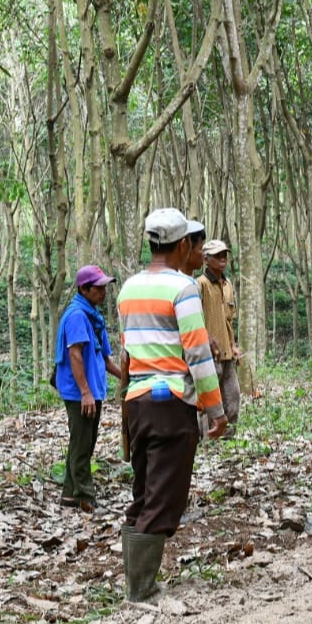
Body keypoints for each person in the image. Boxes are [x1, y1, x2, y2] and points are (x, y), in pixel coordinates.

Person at [117, 208, 226, 602]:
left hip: (138, 405)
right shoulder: (182, 289)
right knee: (164, 498)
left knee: (144, 492)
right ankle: (141, 590)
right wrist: (215, 409)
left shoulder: (127, 289)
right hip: (171, 404)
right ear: (183, 245)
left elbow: (128, 352)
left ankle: (136, 582)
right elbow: (197, 353)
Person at [54, 265, 122, 513]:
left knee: (83, 442)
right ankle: (85, 497)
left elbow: (104, 359)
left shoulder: (93, 317)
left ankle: (70, 494)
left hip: (93, 390)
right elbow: (75, 355)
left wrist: (126, 377)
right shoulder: (76, 316)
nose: (104, 292)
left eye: (105, 286)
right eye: (99, 287)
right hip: (79, 393)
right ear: (84, 289)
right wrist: (84, 392)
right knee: (83, 444)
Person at [197, 239, 243, 430]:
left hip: (227, 354)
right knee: (209, 403)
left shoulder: (228, 285)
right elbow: (194, 321)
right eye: (217, 255)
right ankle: (208, 442)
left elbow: (229, 320)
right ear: (206, 259)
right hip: (208, 356)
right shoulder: (200, 285)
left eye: (224, 254)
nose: (223, 259)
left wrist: (233, 344)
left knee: (233, 399)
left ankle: (228, 440)